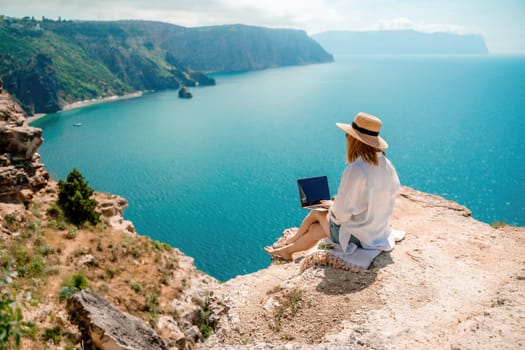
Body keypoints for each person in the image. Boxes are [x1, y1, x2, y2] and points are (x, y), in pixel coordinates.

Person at [264, 112, 400, 260]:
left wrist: (332, 207)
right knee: (316, 229)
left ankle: (292, 240)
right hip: (378, 231)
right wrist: (334, 205)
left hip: (361, 236)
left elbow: (340, 216)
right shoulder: (386, 164)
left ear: (353, 139)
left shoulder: (356, 169)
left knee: (317, 212)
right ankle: (288, 250)